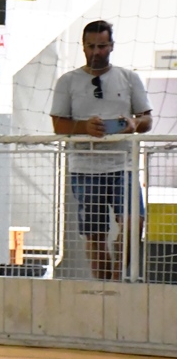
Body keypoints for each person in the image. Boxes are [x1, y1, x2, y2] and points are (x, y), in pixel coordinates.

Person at [50, 20, 153, 282]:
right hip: (85, 168)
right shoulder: (67, 81)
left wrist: (132, 124)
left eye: (102, 46)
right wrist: (85, 126)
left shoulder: (130, 78)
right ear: (83, 47)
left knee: (133, 224)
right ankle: (103, 289)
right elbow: (59, 125)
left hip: (123, 165)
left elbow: (147, 120)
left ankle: (118, 276)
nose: (96, 52)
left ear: (112, 46)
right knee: (95, 234)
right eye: (91, 46)